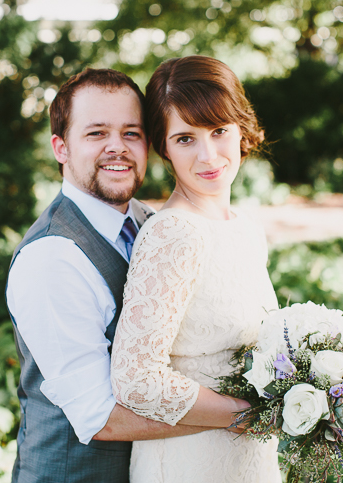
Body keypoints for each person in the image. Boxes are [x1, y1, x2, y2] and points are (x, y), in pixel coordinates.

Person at [5, 67, 248, 483]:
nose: (117, 147)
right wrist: (249, 415)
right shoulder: (52, 258)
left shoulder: (148, 223)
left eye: (131, 133)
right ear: (61, 148)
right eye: (96, 133)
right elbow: (101, 418)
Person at [110, 55, 281, 482]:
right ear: (162, 146)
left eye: (219, 131)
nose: (209, 156)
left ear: (240, 127)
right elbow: (135, 378)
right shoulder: (173, 235)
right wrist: (247, 414)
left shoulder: (245, 229)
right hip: (191, 462)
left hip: (250, 461)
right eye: (185, 138)